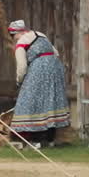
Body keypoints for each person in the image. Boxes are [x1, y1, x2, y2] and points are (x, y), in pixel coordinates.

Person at [7, 19, 70, 147]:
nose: (13, 39)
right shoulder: (41, 35)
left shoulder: (21, 43)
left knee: (31, 103)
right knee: (50, 103)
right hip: (55, 67)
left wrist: (19, 81)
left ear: (15, 34)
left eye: (13, 36)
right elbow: (55, 53)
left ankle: (36, 140)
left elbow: (22, 67)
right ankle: (50, 139)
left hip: (39, 69)